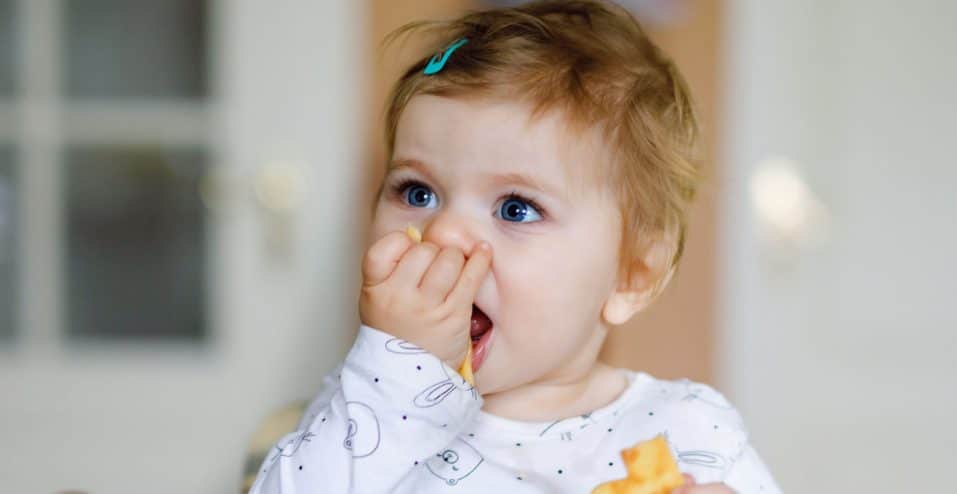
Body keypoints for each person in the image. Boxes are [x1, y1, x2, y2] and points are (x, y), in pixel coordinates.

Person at [250, 1, 780, 492]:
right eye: (418, 192)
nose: (444, 234)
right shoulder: (368, 411)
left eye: (516, 208)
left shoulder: (690, 431)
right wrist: (392, 379)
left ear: (632, 276)